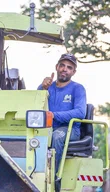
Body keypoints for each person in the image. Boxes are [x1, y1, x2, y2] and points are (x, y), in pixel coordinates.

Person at [37, 53, 86, 187]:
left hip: (70, 129)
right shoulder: (48, 87)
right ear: (57, 67)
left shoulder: (78, 89)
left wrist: (54, 115)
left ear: (73, 72)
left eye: (69, 67)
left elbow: (81, 112)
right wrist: (42, 88)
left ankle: (53, 180)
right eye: (62, 65)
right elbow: (36, 105)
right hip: (46, 128)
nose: (65, 69)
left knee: (57, 136)